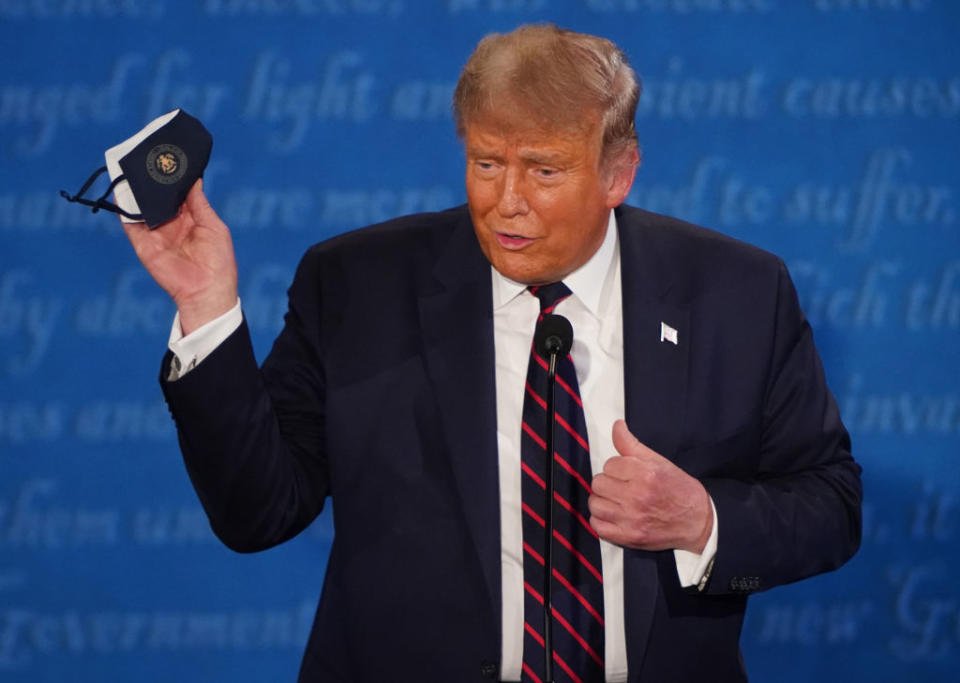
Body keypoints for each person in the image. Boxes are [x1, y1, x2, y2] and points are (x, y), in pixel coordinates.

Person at [122, 24, 862, 683]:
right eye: (486, 163)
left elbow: (830, 502)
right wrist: (206, 306)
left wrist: (702, 518)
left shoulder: (737, 293)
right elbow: (259, 512)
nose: (506, 201)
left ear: (618, 173)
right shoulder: (355, 286)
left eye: (543, 169)